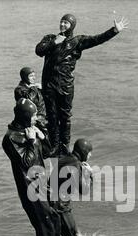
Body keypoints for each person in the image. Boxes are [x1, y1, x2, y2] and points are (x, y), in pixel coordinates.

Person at [2, 97, 77, 236]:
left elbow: (47, 152)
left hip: (41, 185)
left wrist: (41, 138)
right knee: (45, 227)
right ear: (26, 117)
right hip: (31, 191)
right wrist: (32, 141)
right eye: (34, 116)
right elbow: (25, 162)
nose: (36, 118)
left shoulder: (28, 131)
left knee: (53, 221)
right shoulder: (9, 138)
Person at [35, 13, 128, 157]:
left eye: (66, 22)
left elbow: (97, 39)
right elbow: (39, 51)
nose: (63, 24)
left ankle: (64, 147)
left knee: (65, 117)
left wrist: (114, 31)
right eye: (62, 21)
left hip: (65, 86)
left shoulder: (77, 41)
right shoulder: (50, 38)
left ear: (72, 25)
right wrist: (55, 42)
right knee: (52, 116)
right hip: (48, 85)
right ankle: (54, 146)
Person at [49, 138, 93, 236]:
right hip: (60, 207)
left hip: (50, 203)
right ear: (83, 152)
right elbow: (84, 190)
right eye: (89, 153)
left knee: (66, 235)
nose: (90, 155)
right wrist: (88, 174)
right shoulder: (75, 165)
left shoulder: (64, 159)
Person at [14, 67, 47, 131]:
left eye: (34, 75)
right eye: (31, 76)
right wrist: (33, 88)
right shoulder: (19, 89)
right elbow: (29, 99)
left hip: (43, 118)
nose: (34, 78)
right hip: (33, 121)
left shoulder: (34, 86)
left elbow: (44, 100)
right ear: (24, 77)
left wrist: (43, 89)